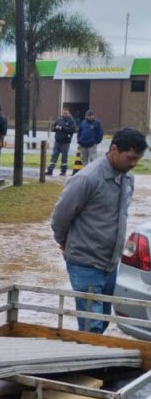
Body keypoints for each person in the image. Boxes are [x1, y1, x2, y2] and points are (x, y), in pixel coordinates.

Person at [50, 129, 148, 334]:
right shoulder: (87, 178)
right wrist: (65, 243)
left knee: (103, 320)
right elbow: (60, 216)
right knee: (91, 326)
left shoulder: (126, 178)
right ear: (113, 150)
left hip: (111, 263)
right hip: (85, 262)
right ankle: (88, 364)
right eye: (130, 158)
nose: (133, 164)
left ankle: (92, 358)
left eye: (137, 160)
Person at [47, 107, 78, 176]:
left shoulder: (71, 121)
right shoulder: (59, 119)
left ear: (68, 113)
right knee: (54, 155)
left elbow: (72, 130)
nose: (64, 114)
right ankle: (50, 170)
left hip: (65, 142)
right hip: (57, 141)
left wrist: (63, 128)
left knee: (64, 157)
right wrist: (56, 128)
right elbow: (53, 127)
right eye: (63, 113)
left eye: (66, 113)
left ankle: (63, 171)